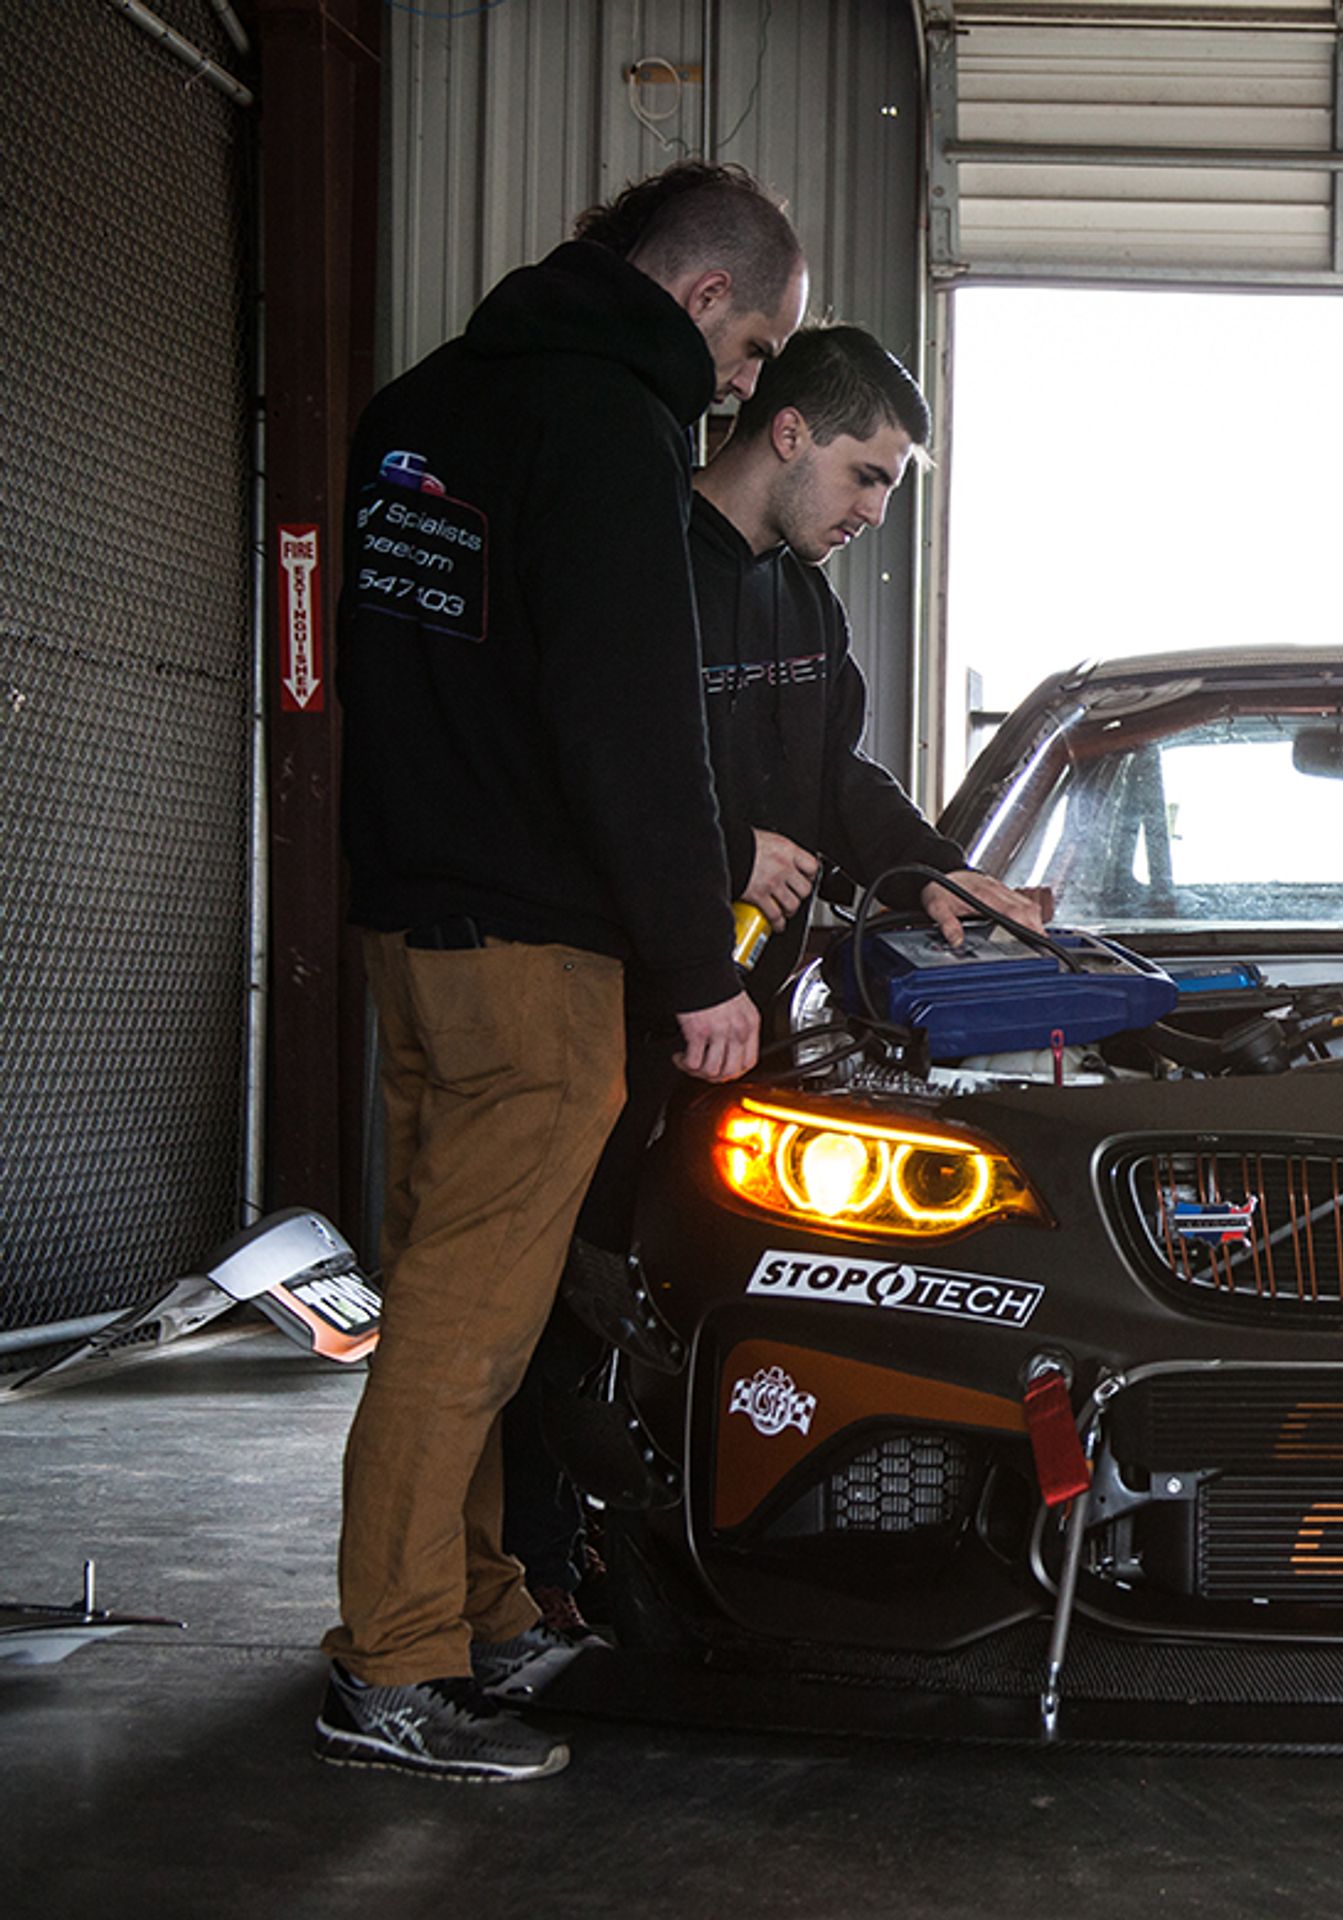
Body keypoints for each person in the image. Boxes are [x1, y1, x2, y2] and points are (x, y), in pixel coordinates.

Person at [317, 161, 808, 1782]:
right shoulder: (604, 424)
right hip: (532, 947)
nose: (739, 386)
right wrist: (697, 967)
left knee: (450, 1284)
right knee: (469, 1320)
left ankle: (475, 1608)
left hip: (411, 924)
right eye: (751, 352)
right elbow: (629, 722)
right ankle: (393, 1664)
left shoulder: (419, 409)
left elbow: (395, 680)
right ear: (704, 296)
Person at [497, 326, 1045, 1640]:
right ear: (789, 432)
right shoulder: (637, 570)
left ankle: (672, 1550)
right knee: (555, 1291)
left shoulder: (802, 600)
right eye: (867, 476)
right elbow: (578, 773)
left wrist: (932, 876)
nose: (873, 512)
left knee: (691, 1289)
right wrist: (724, 855)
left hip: (748, 1017)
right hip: (608, 1000)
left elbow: (836, 778)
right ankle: (527, 1571)